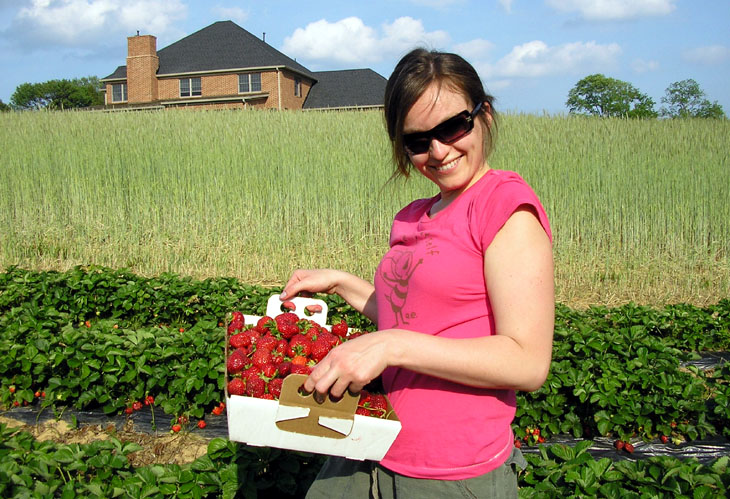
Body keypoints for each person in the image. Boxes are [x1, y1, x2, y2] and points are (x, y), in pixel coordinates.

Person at [280, 47, 554, 498]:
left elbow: (527, 362)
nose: (439, 151)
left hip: (449, 470)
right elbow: (413, 319)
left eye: (452, 127)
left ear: (484, 114)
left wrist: (390, 346)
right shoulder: (413, 215)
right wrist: (343, 283)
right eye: (418, 141)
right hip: (368, 443)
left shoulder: (503, 208)